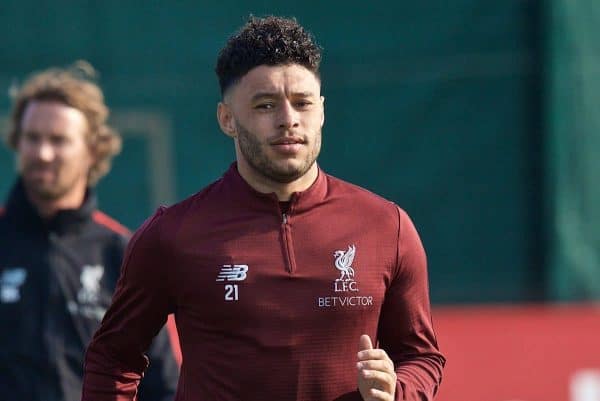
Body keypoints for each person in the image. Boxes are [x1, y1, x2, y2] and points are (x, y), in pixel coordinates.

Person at [82, 16, 445, 401]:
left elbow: (420, 356)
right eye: (265, 105)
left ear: (321, 111)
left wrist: (398, 391)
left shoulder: (386, 225)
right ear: (227, 119)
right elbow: (112, 359)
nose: (288, 120)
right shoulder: (173, 234)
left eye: (302, 103)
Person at [0, 62, 180, 401]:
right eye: (32, 138)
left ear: (92, 151)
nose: (42, 153)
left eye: (58, 140)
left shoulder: (126, 255)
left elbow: (168, 386)